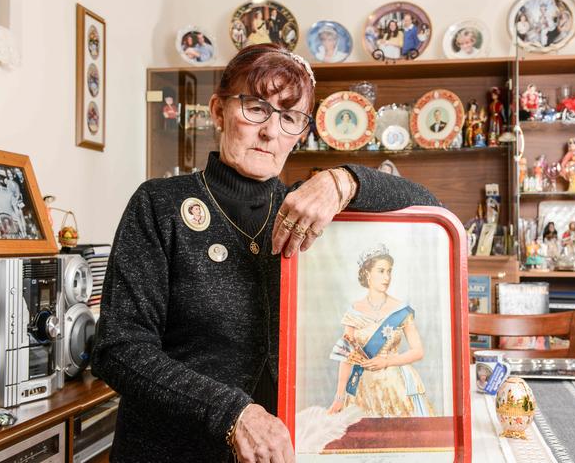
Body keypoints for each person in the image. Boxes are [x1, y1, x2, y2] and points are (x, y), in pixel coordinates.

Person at [91, 43, 440, 463]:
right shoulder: (159, 205)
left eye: (290, 117)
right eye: (256, 107)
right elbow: (119, 350)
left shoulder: (308, 211)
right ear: (218, 111)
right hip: (169, 451)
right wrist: (231, 413)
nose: (271, 131)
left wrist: (345, 180)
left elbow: (432, 208)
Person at [328, 244, 433, 417]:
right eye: (381, 271)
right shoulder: (354, 311)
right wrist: (339, 397)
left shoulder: (401, 310)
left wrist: (386, 361)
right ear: (368, 274)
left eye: (389, 271)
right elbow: (346, 357)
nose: (387, 277)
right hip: (362, 387)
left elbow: (418, 351)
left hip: (396, 386)